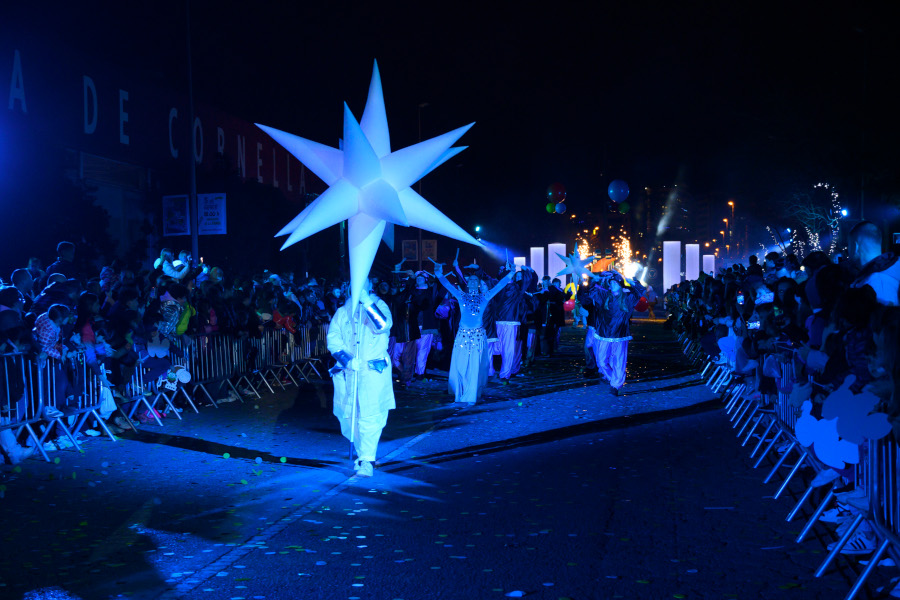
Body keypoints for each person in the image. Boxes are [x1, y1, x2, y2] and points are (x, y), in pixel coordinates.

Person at [326, 278, 394, 477]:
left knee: (370, 416)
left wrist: (366, 302)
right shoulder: (343, 311)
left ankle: (367, 459)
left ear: (369, 286)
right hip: (349, 372)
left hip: (373, 373)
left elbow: (383, 325)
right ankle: (362, 453)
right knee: (347, 416)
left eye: (363, 284)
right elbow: (333, 339)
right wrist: (347, 360)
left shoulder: (379, 305)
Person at [435, 261, 515, 404]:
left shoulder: (485, 296)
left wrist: (511, 273)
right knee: (460, 364)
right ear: (467, 283)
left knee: (474, 365)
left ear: (478, 284)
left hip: (478, 336)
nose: (472, 281)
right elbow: (447, 285)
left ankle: (471, 394)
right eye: (470, 279)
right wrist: (439, 274)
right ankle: (460, 389)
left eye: (475, 280)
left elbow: (500, 285)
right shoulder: (461, 295)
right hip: (462, 335)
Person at [579, 271, 645, 395]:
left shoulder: (628, 298)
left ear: (620, 284)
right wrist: (596, 279)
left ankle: (616, 385)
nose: (612, 284)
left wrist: (632, 281)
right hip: (604, 334)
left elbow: (640, 290)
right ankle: (612, 379)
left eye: (615, 282)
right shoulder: (604, 296)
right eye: (611, 283)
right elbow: (591, 290)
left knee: (619, 361)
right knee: (601, 361)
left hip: (620, 335)